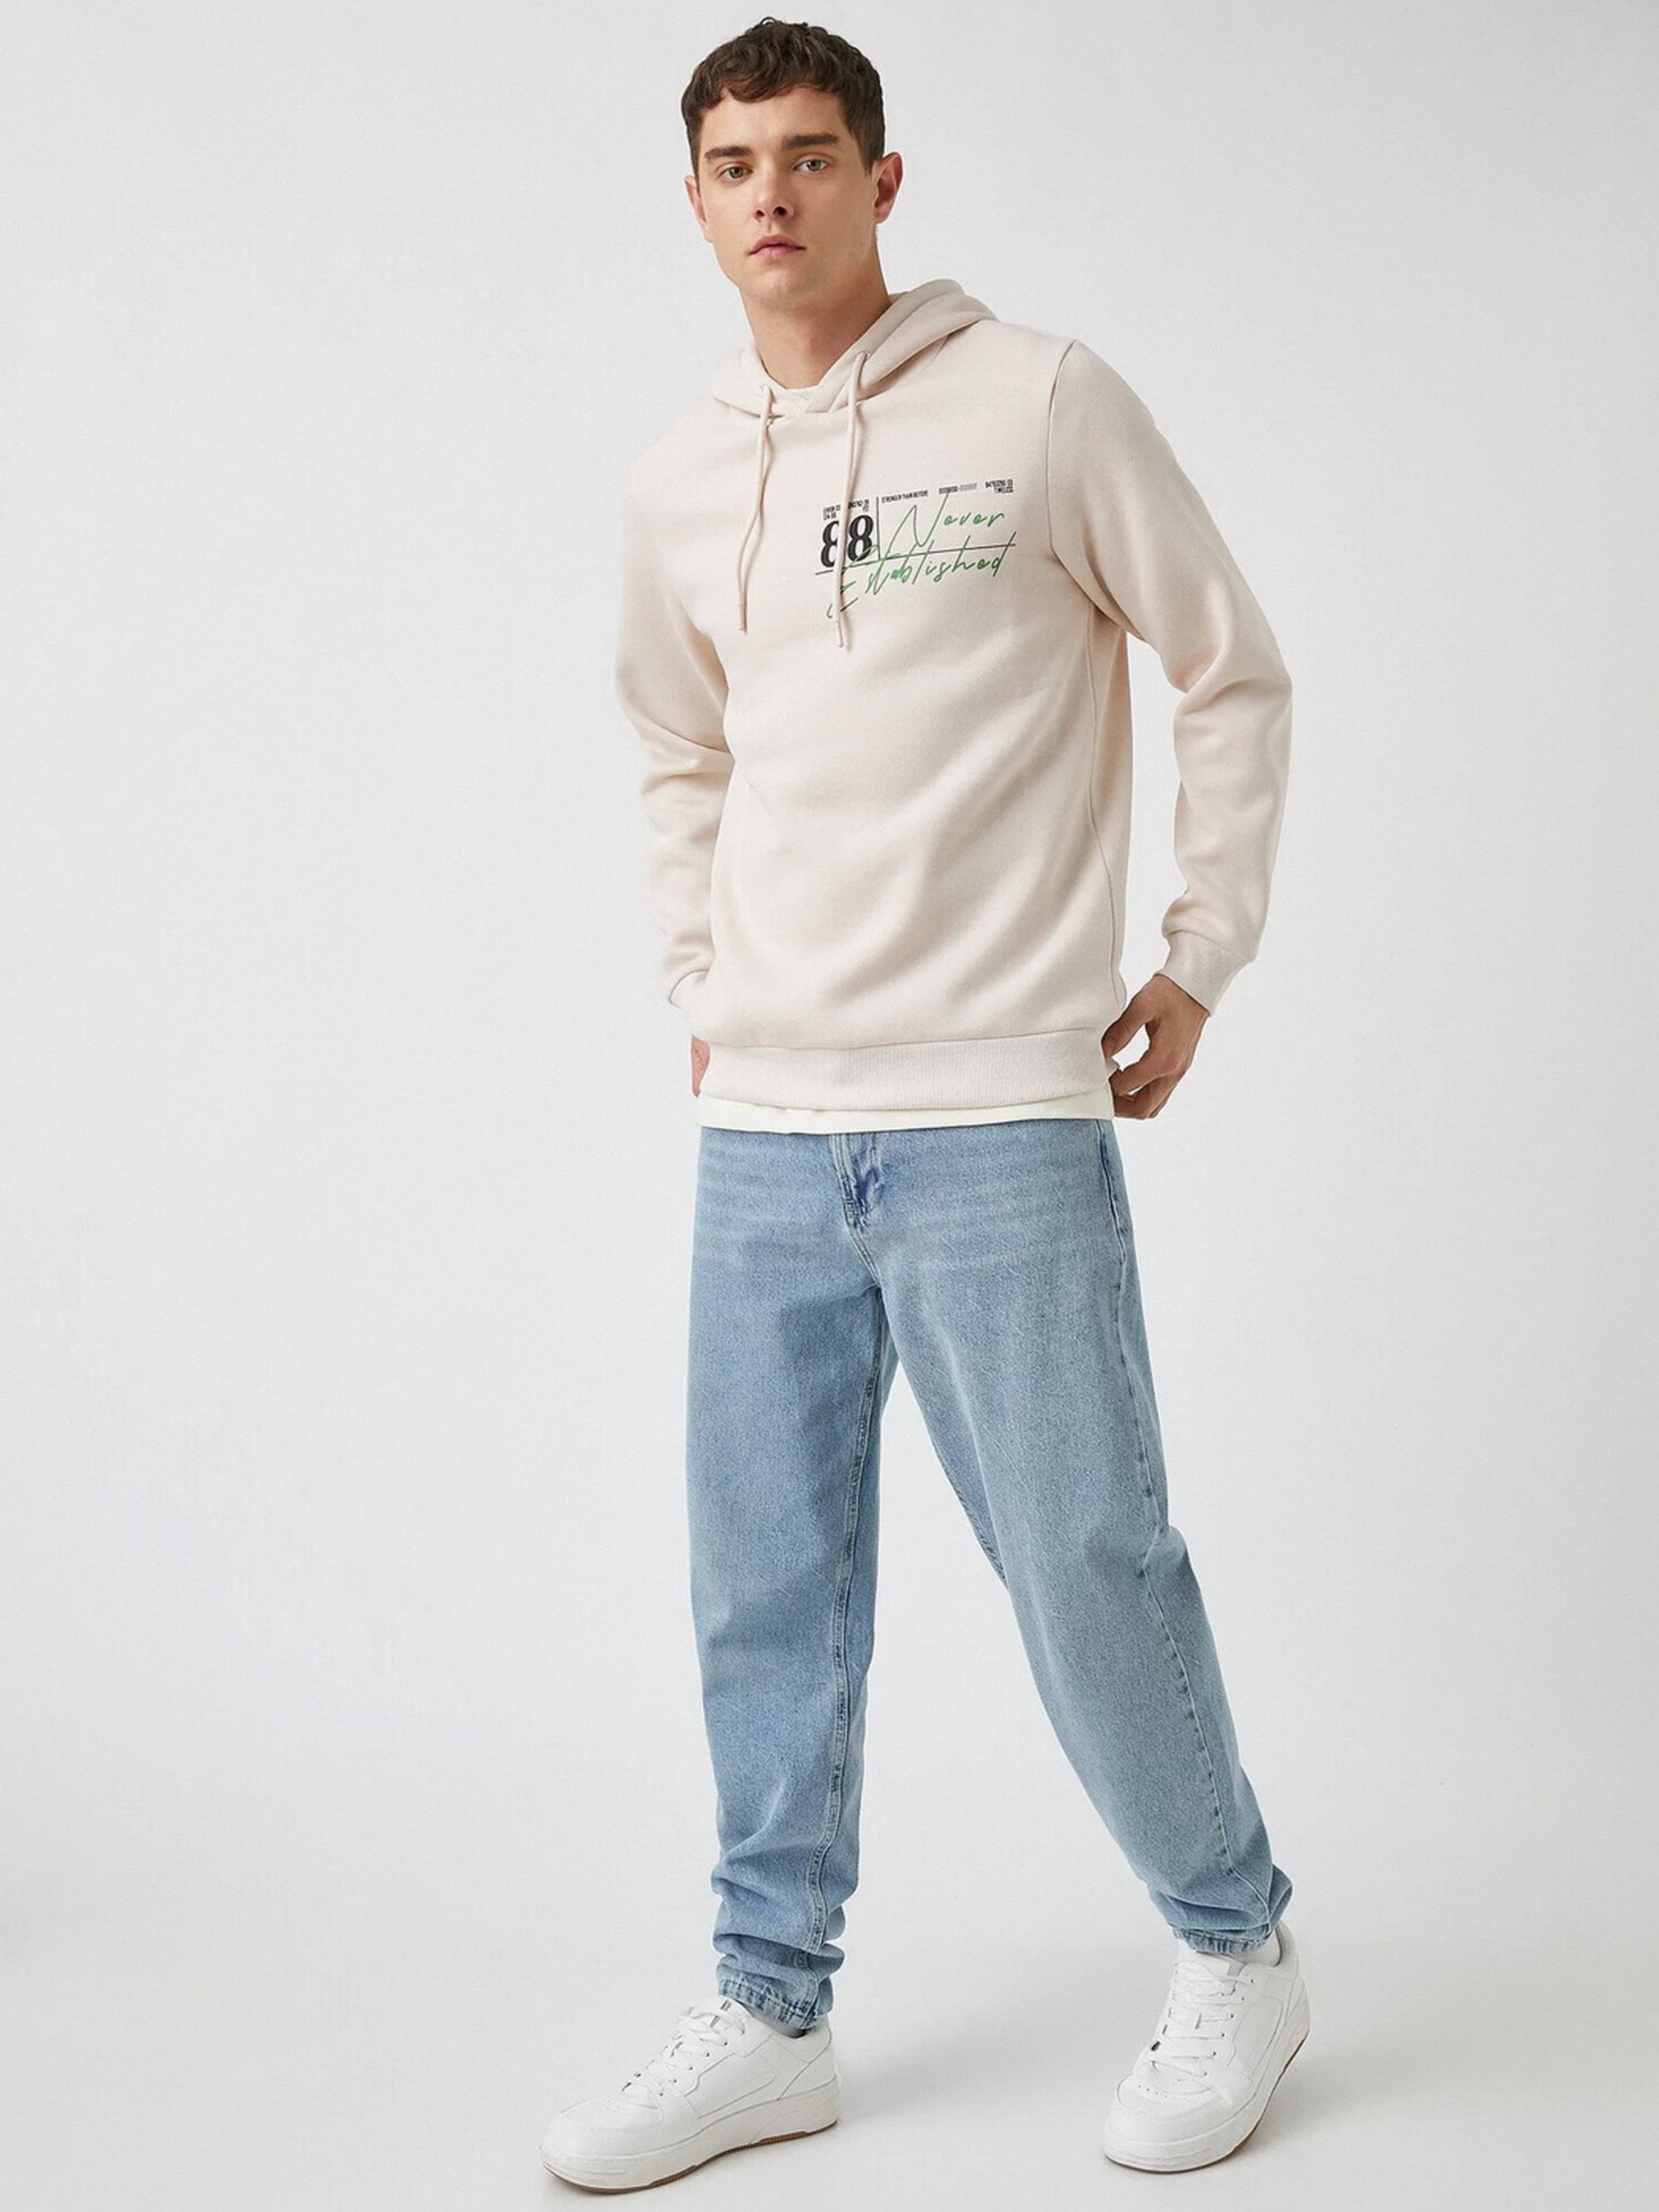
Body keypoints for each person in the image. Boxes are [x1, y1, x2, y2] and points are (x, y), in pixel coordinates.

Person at [542, 16, 1308, 2191]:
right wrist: (700, 975)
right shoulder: (677, 477)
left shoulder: (1040, 402)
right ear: (694, 202)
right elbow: (673, 745)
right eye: (731, 165)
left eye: (808, 155)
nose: (770, 195)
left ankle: (1236, 1945)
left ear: (882, 181)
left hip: (997, 1106)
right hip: (766, 1127)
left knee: (1085, 1554)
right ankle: (769, 2005)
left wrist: (1199, 949)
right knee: (763, 1585)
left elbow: (1229, 662)